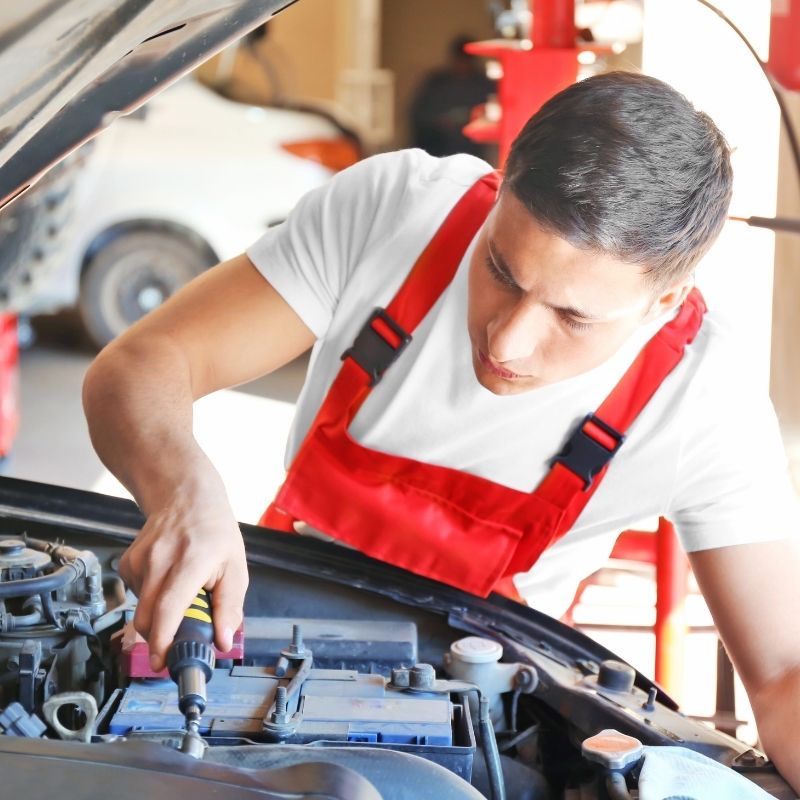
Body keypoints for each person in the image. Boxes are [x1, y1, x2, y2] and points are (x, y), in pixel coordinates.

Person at [82, 70, 800, 791]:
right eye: (500, 270)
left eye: (572, 317)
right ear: (501, 186)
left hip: (475, 716)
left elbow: (782, 675)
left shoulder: (704, 404)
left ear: (665, 299)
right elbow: (144, 362)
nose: (508, 342)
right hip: (255, 645)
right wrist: (186, 490)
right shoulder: (394, 211)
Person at [409, 35, 494, 158]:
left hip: (471, 152)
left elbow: (491, 115)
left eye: (466, 61)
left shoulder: (483, 84)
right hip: (436, 149)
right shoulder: (436, 81)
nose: (462, 65)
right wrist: (440, 122)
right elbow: (417, 114)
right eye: (460, 60)